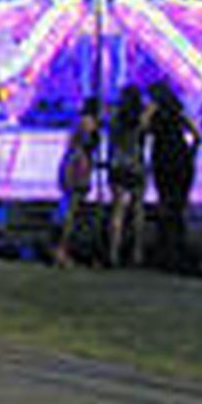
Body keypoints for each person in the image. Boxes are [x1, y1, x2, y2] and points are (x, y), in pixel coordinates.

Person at [147, 81, 199, 271]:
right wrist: (190, 153)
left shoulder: (154, 114)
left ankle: (166, 250)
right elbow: (197, 135)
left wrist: (149, 111)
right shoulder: (179, 113)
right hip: (181, 159)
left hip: (163, 161)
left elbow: (142, 128)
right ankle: (178, 248)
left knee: (165, 204)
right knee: (178, 206)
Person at [54, 98, 100, 267]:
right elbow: (84, 146)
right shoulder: (88, 124)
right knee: (72, 210)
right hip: (79, 167)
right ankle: (62, 249)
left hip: (75, 165)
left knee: (72, 208)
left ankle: (64, 248)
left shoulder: (79, 123)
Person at [107, 85, 149, 268]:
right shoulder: (141, 120)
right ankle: (137, 252)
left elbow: (111, 141)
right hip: (136, 165)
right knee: (138, 209)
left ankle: (113, 253)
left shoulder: (115, 118)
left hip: (118, 164)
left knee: (117, 210)